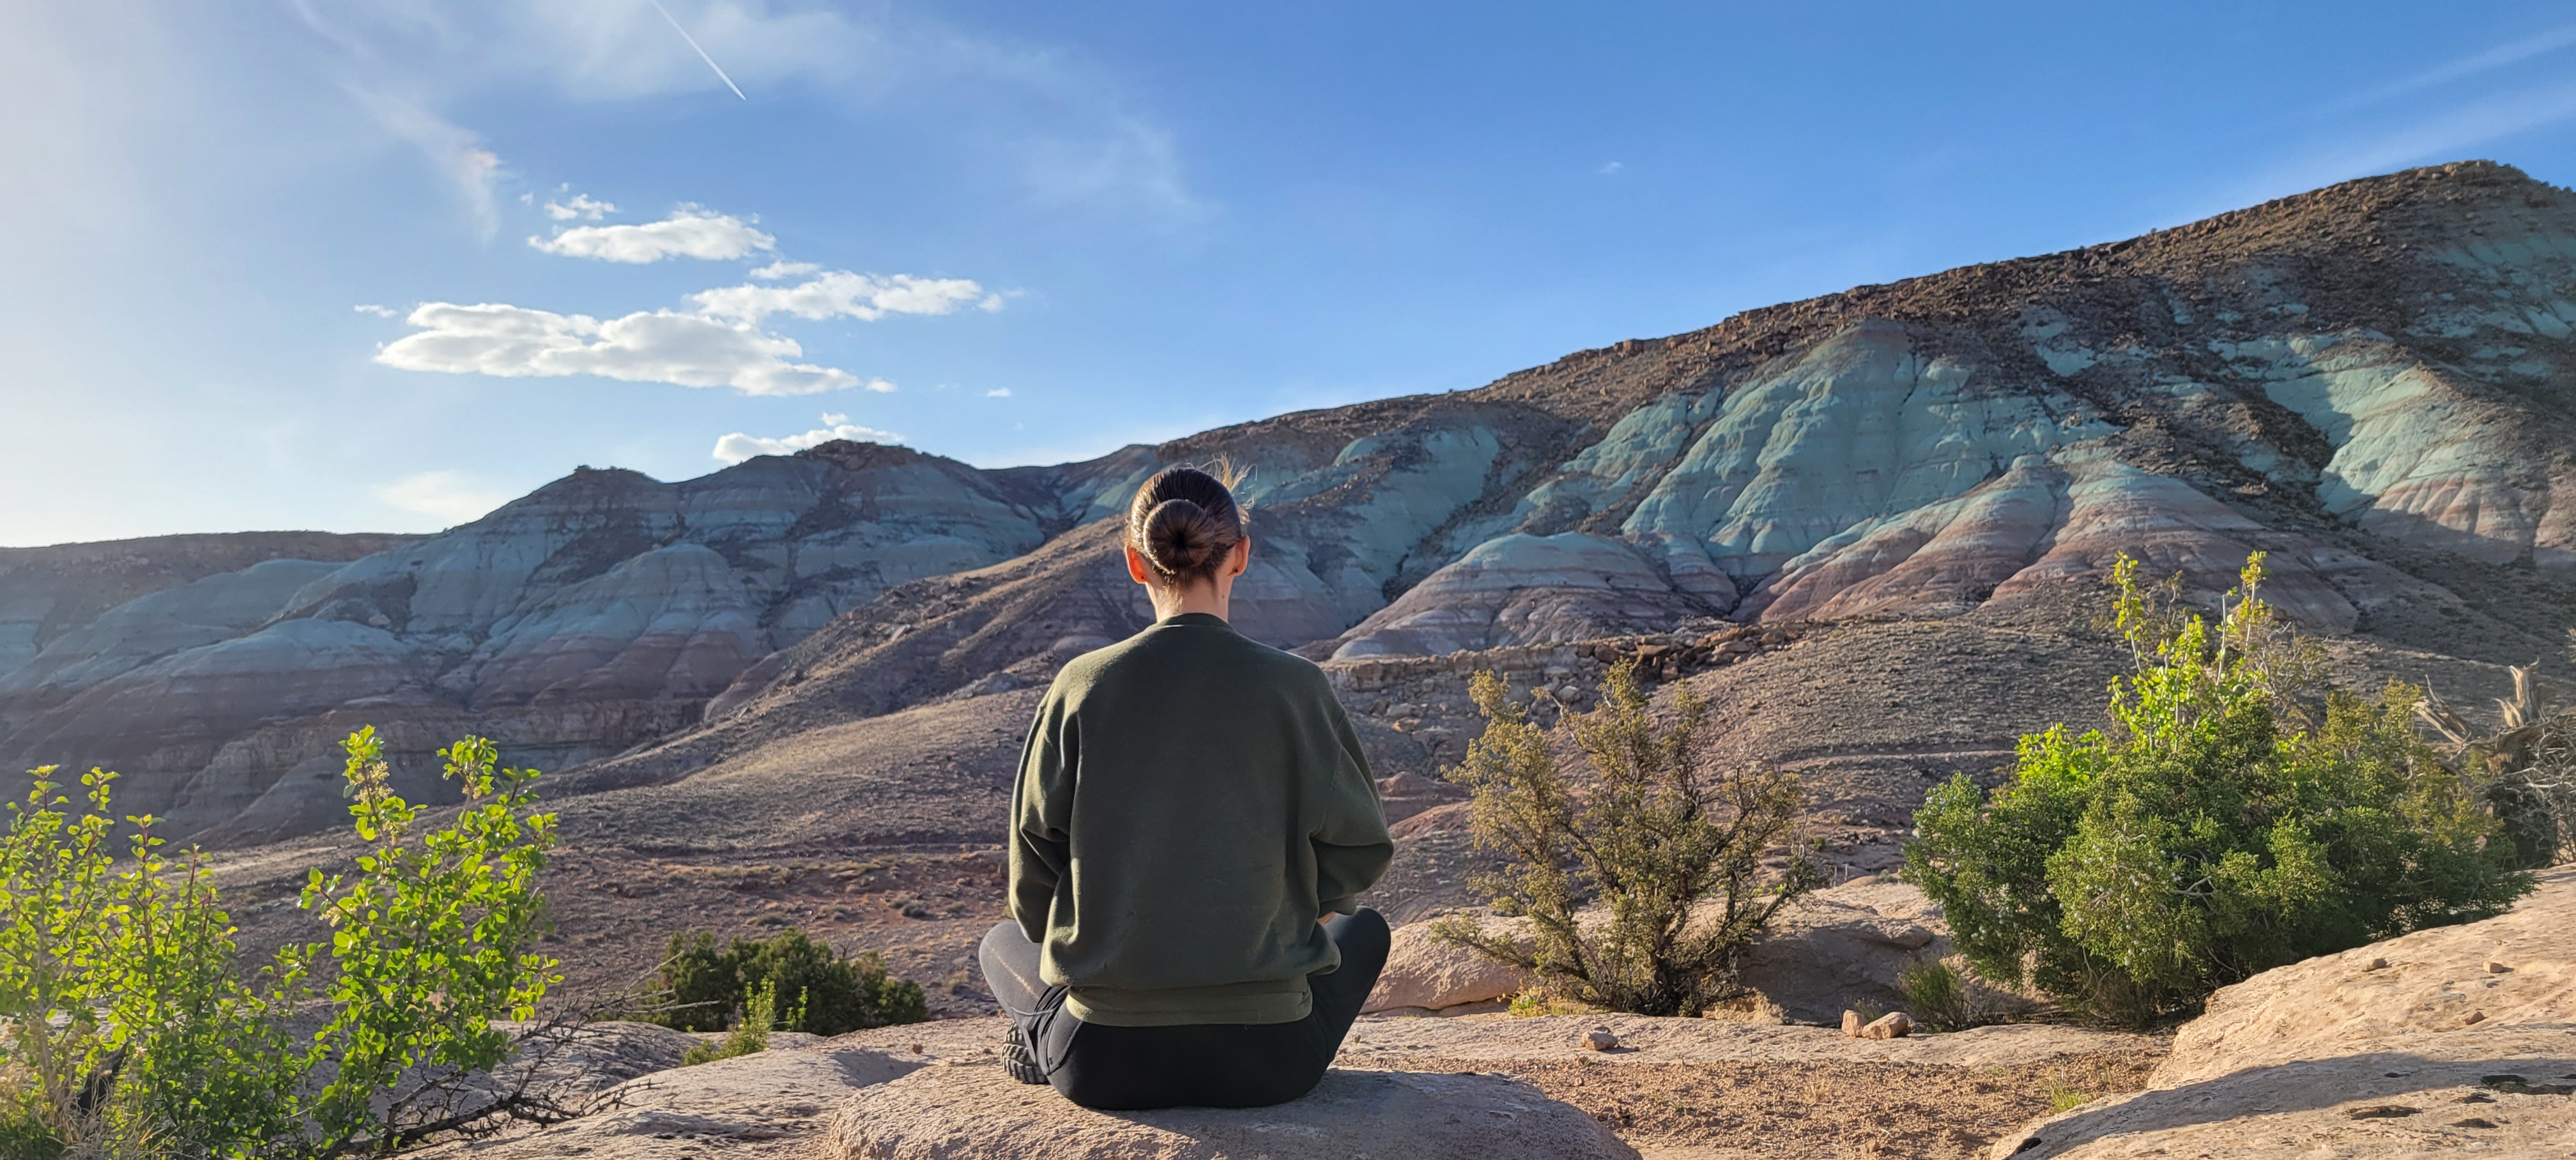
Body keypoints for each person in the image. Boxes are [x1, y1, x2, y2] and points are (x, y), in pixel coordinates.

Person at [977, 463, 1394, 1111]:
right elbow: (1361, 850)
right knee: (1365, 930)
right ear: (1243, 556)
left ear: (1136, 564)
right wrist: (1283, 915)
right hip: (1271, 1060)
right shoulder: (1297, 687)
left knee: (998, 945)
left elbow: (1032, 885)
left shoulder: (1081, 684)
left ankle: (1039, 1041)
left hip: (1105, 1062)